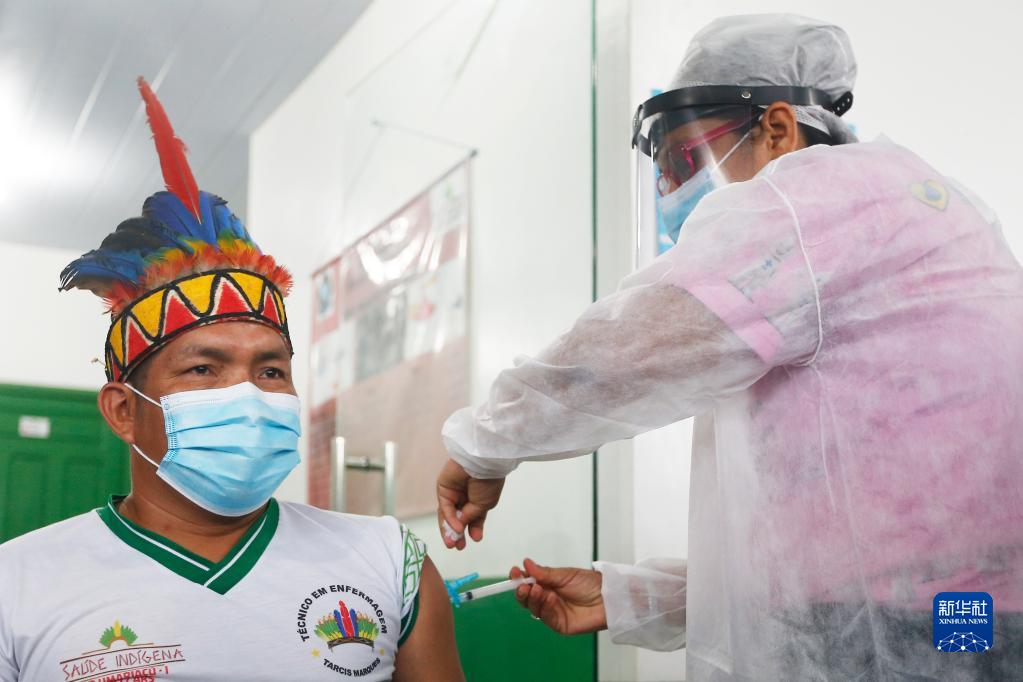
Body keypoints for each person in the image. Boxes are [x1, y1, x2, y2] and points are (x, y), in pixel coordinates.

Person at [436, 14, 1023, 680]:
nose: (671, 191)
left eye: (683, 160)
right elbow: (856, 545)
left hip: (905, 642)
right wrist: (633, 597)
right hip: (961, 625)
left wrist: (484, 444)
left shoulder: (809, 207)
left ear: (777, 128)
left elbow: (625, 352)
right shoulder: (921, 206)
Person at [0, 78, 463, 682]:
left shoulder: (390, 561)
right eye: (203, 368)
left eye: (272, 370)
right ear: (123, 410)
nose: (249, 395)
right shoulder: (18, 583)